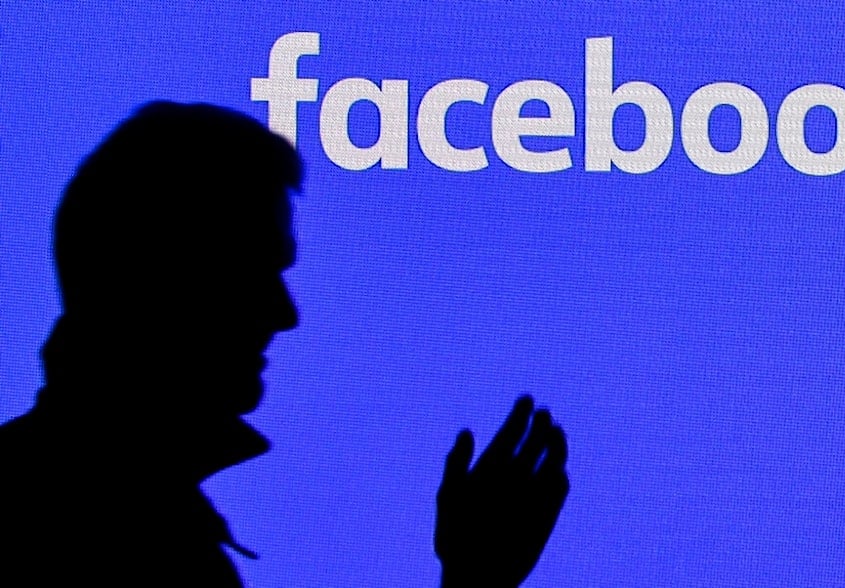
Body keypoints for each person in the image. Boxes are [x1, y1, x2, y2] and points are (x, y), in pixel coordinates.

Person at [0, 101, 569, 586]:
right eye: (251, 271)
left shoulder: (89, 506)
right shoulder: (126, 540)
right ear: (154, 276)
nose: (285, 313)